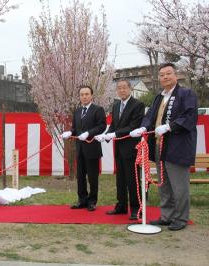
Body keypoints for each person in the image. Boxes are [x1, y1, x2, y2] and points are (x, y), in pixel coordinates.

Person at [130, 63, 198, 231]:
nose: (165, 77)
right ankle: (167, 216)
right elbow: (150, 116)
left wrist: (170, 126)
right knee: (164, 184)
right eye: (162, 75)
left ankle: (181, 218)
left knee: (179, 185)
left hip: (178, 146)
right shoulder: (158, 97)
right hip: (160, 145)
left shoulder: (185, 93)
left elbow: (190, 116)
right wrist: (144, 127)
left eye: (168, 73)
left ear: (176, 75)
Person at [95, 79, 145, 220]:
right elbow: (114, 125)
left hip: (132, 148)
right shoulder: (116, 106)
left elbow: (133, 126)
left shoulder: (138, 105)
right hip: (118, 148)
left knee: (132, 180)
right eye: (119, 88)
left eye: (124, 87)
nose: (122, 90)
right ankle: (121, 206)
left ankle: (136, 208)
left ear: (130, 89)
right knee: (120, 180)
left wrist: (114, 134)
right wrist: (105, 135)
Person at [62, 85, 106, 211]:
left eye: (87, 94)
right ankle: (82, 200)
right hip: (80, 149)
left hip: (92, 148)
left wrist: (88, 133)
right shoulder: (77, 111)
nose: (84, 97)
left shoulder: (98, 109)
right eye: (82, 94)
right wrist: (70, 132)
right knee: (80, 176)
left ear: (91, 95)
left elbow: (102, 126)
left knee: (92, 177)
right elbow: (76, 128)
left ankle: (92, 201)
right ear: (79, 96)